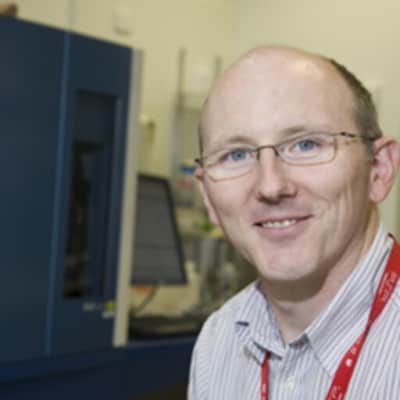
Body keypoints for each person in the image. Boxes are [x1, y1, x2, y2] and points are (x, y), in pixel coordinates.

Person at [188, 46, 400, 399]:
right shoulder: (218, 340)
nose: (271, 186)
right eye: (236, 154)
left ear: (379, 169)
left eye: (306, 145)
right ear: (208, 197)